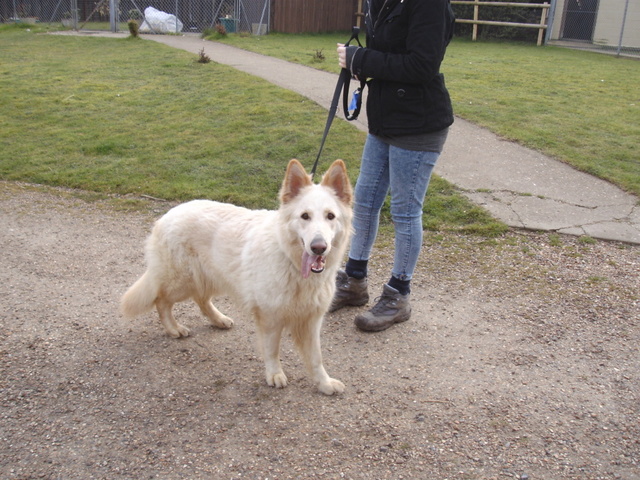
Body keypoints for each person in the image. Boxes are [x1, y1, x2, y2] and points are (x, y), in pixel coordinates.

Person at [332, 0, 455, 332]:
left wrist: (363, 59)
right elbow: (390, 55)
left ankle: (398, 295)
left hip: (419, 124)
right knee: (365, 202)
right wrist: (360, 66)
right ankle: (355, 281)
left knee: (404, 211)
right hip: (385, 119)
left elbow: (421, 65)